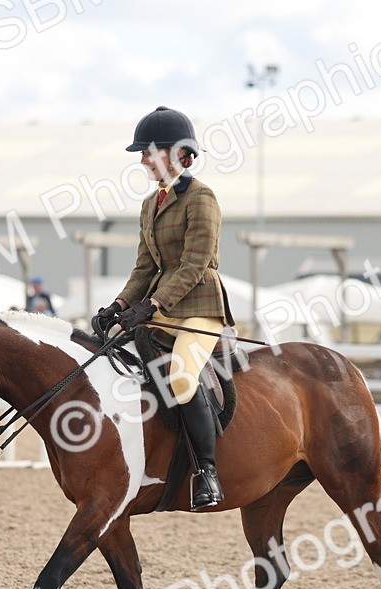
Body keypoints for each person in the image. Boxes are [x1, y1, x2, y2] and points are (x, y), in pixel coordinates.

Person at [91, 106, 235, 510]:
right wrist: (119, 304)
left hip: (199, 306)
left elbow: (194, 264)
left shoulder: (202, 198)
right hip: (162, 306)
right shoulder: (150, 204)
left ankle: (207, 471)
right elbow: (145, 266)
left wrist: (152, 303)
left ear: (175, 153)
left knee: (182, 375)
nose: (141, 161)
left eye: (147, 153)